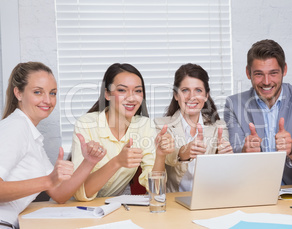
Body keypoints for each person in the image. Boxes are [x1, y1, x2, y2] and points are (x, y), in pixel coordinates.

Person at [0, 62, 105, 228]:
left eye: (53, 93)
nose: (48, 100)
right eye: (37, 92)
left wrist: (89, 162)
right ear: (18, 93)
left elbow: (59, 193)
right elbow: (49, 183)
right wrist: (48, 181)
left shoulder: (31, 135)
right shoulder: (15, 127)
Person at [224, 39, 292, 185]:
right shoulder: (234, 104)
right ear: (248, 72)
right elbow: (231, 151)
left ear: (284, 70)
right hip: (253, 188)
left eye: (273, 73)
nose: (266, 81)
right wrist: (245, 150)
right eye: (258, 74)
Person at [71, 63, 173, 201]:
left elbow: (155, 190)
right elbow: (81, 194)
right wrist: (117, 162)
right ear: (107, 94)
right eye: (122, 90)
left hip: (114, 208)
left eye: (137, 91)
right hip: (77, 209)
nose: (131, 98)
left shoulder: (144, 125)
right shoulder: (86, 124)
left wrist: (160, 155)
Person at [154, 63, 233, 192]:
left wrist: (226, 158)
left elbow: (226, 176)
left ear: (206, 95)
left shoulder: (219, 127)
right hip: (174, 203)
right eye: (185, 90)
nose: (192, 97)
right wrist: (183, 153)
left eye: (198, 90)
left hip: (207, 199)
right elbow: (166, 158)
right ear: (175, 95)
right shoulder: (161, 125)